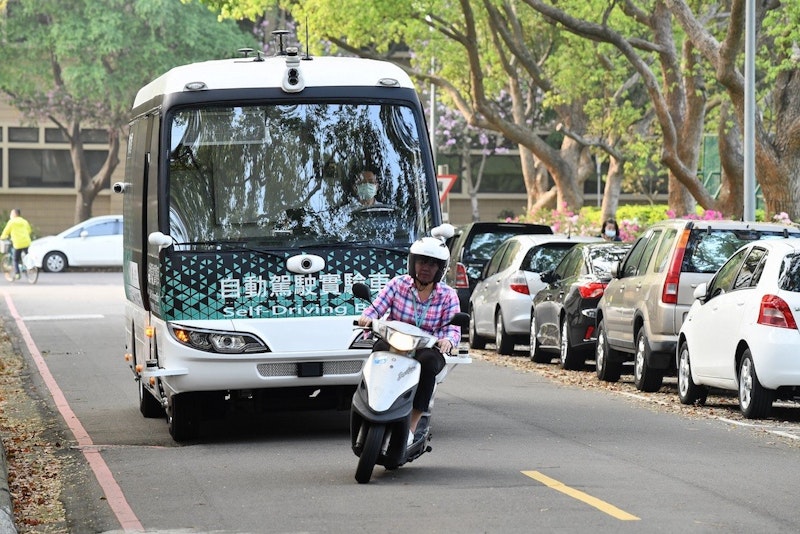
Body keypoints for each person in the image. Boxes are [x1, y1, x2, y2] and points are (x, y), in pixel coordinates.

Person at [357, 235, 461, 445]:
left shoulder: (448, 295)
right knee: (378, 348)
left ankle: (412, 426)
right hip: (394, 341)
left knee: (430, 362)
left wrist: (448, 341)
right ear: (413, 263)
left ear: (441, 269)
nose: (426, 267)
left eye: (433, 264)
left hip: (426, 348)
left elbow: (453, 327)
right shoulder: (397, 284)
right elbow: (377, 307)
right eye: (422, 261)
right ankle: (370, 403)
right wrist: (367, 317)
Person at [0, 208, 32, 280]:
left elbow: (6, 231)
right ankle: (30, 267)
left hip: (18, 243)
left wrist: (2, 237)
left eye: (11, 213)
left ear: (14, 214)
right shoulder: (24, 221)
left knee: (15, 259)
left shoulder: (12, 222)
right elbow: (29, 230)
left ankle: (17, 274)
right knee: (27, 256)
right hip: (27, 242)